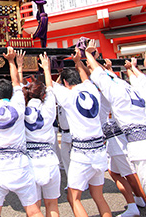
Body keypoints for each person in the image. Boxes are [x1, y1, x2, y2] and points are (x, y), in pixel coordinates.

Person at [0, 46, 43, 217]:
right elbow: (17, 83)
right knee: (33, 210)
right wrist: (11, 61)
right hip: (20, 164)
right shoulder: (19, 105)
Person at [50, 49, 111, 217]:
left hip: (82, 153)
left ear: (66, 83)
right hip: (99, 150)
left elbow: (49, 84)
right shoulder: (91, 89)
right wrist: (78, 62)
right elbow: (85, 77)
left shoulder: (68, 95)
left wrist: (47, 69)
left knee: (73, 198)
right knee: (99, 197)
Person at [85, 39, 146, 198]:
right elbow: (137, 79)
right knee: (118, 172)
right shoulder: (132, 88)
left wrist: (88, 54)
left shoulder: (116, 92)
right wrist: (131, 68)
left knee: (139, 181)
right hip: (138, 138)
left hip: (139, 146)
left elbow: (100, 75)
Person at [23, 52, 60, 217]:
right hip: (50, 159)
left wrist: (17, 68)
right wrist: (46, 68)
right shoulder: (49, 108)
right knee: (52, 206)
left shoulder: (20, 108)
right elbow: (51, 88)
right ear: (43, 95)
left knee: (34, 208)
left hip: (30, 161)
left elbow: (17, 89)